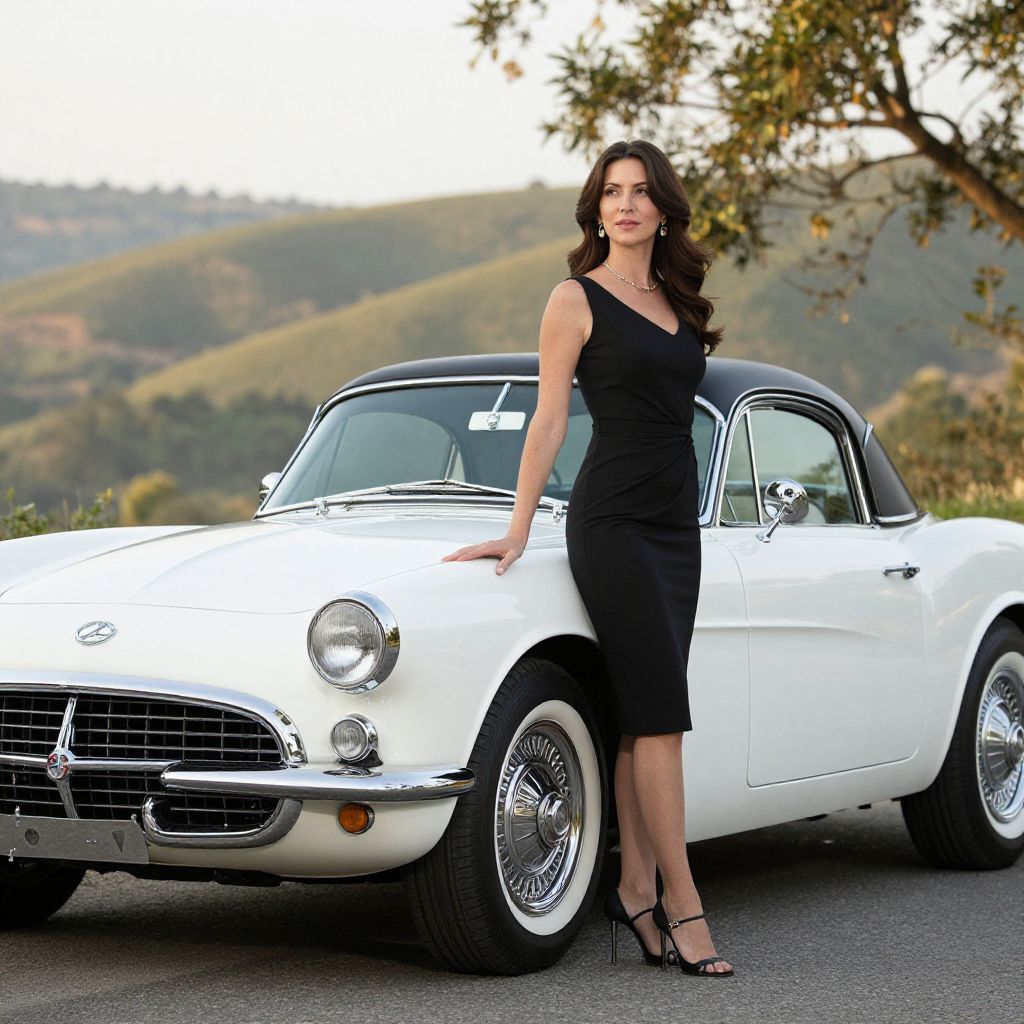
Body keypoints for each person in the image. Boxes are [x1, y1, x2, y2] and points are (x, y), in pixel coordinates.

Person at [441, 139, 733, 977]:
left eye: (641, 192)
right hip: (611, 524)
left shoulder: (676, 295)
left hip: (678, 527)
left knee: (646, 717)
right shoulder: (575, 298)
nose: (627, 205)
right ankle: (685, 904)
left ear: (663, 207)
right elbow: (548, 421)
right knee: (664, 718)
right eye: (612, 192)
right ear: (595, 208)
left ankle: (635, 888)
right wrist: (520, 526)